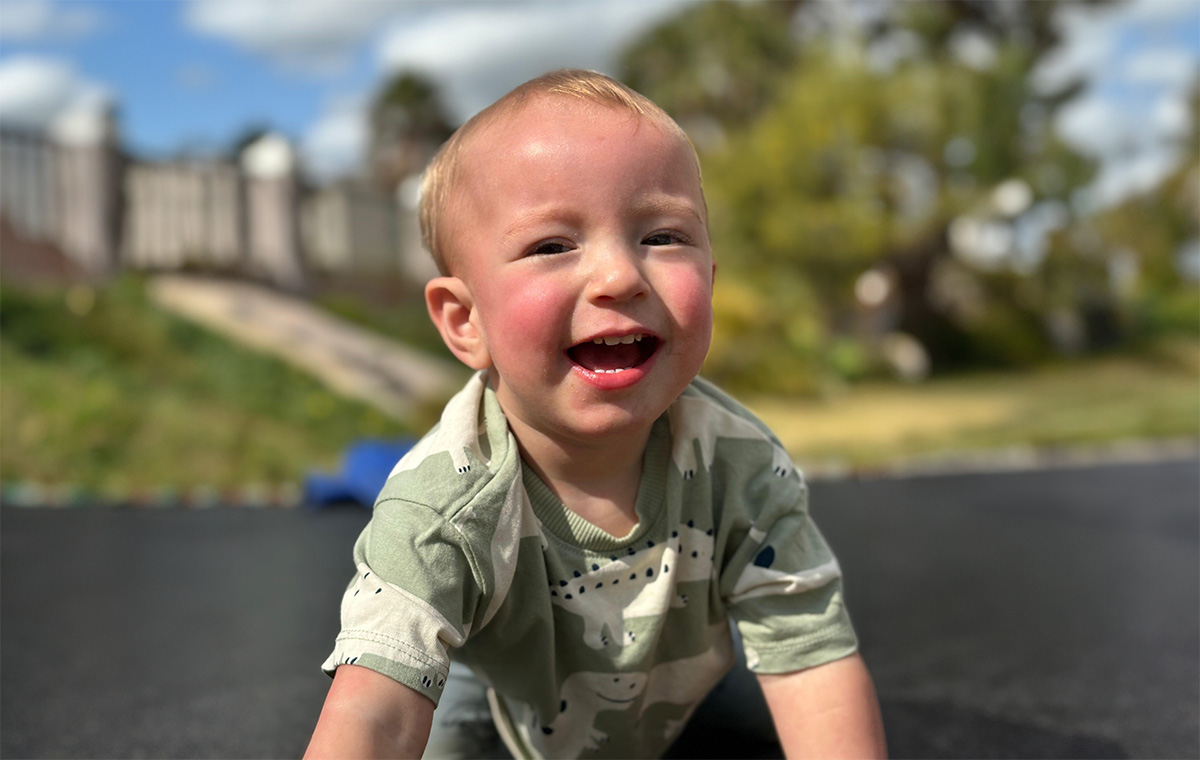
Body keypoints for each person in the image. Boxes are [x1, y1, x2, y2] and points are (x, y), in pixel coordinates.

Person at [305, 69, 886, 759]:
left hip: (681, 681)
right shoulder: (440, 507)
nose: (620, 277)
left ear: (710, 276)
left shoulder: (740, 464)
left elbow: (813, 661)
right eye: (553, 245)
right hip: (507, 696)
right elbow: (373, 713)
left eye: (663, 237)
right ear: (465, 321)